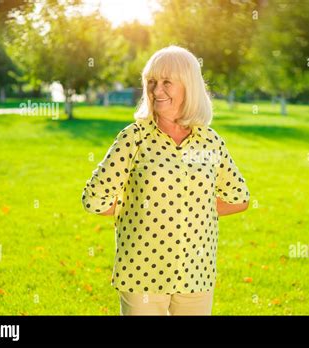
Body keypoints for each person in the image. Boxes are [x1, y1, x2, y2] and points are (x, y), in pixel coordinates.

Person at [82, 45, 250, 315]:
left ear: (189, 86)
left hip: (197, 273)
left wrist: (191, 208)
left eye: (167, 83)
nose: (156, 91)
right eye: (151, 82)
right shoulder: (134, 137)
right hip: (142, 273)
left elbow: (239, 198)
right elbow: (93, 199)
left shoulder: (210, 141)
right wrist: (137, 210)